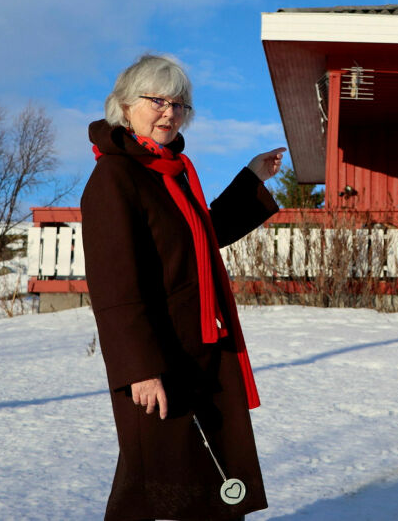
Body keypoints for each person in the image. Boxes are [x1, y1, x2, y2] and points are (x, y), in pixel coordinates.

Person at [81, 53, 283, 521]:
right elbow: (115, 285)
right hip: (158, 357)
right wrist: (140, 368)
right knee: (151, 484)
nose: (169, 113)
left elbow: (199, 236)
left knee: (203, 479)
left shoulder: (172, 171)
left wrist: (252, 178)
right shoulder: (115, 177)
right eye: (157, 101)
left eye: (179, 104)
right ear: (125, 106)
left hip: (200, 349)